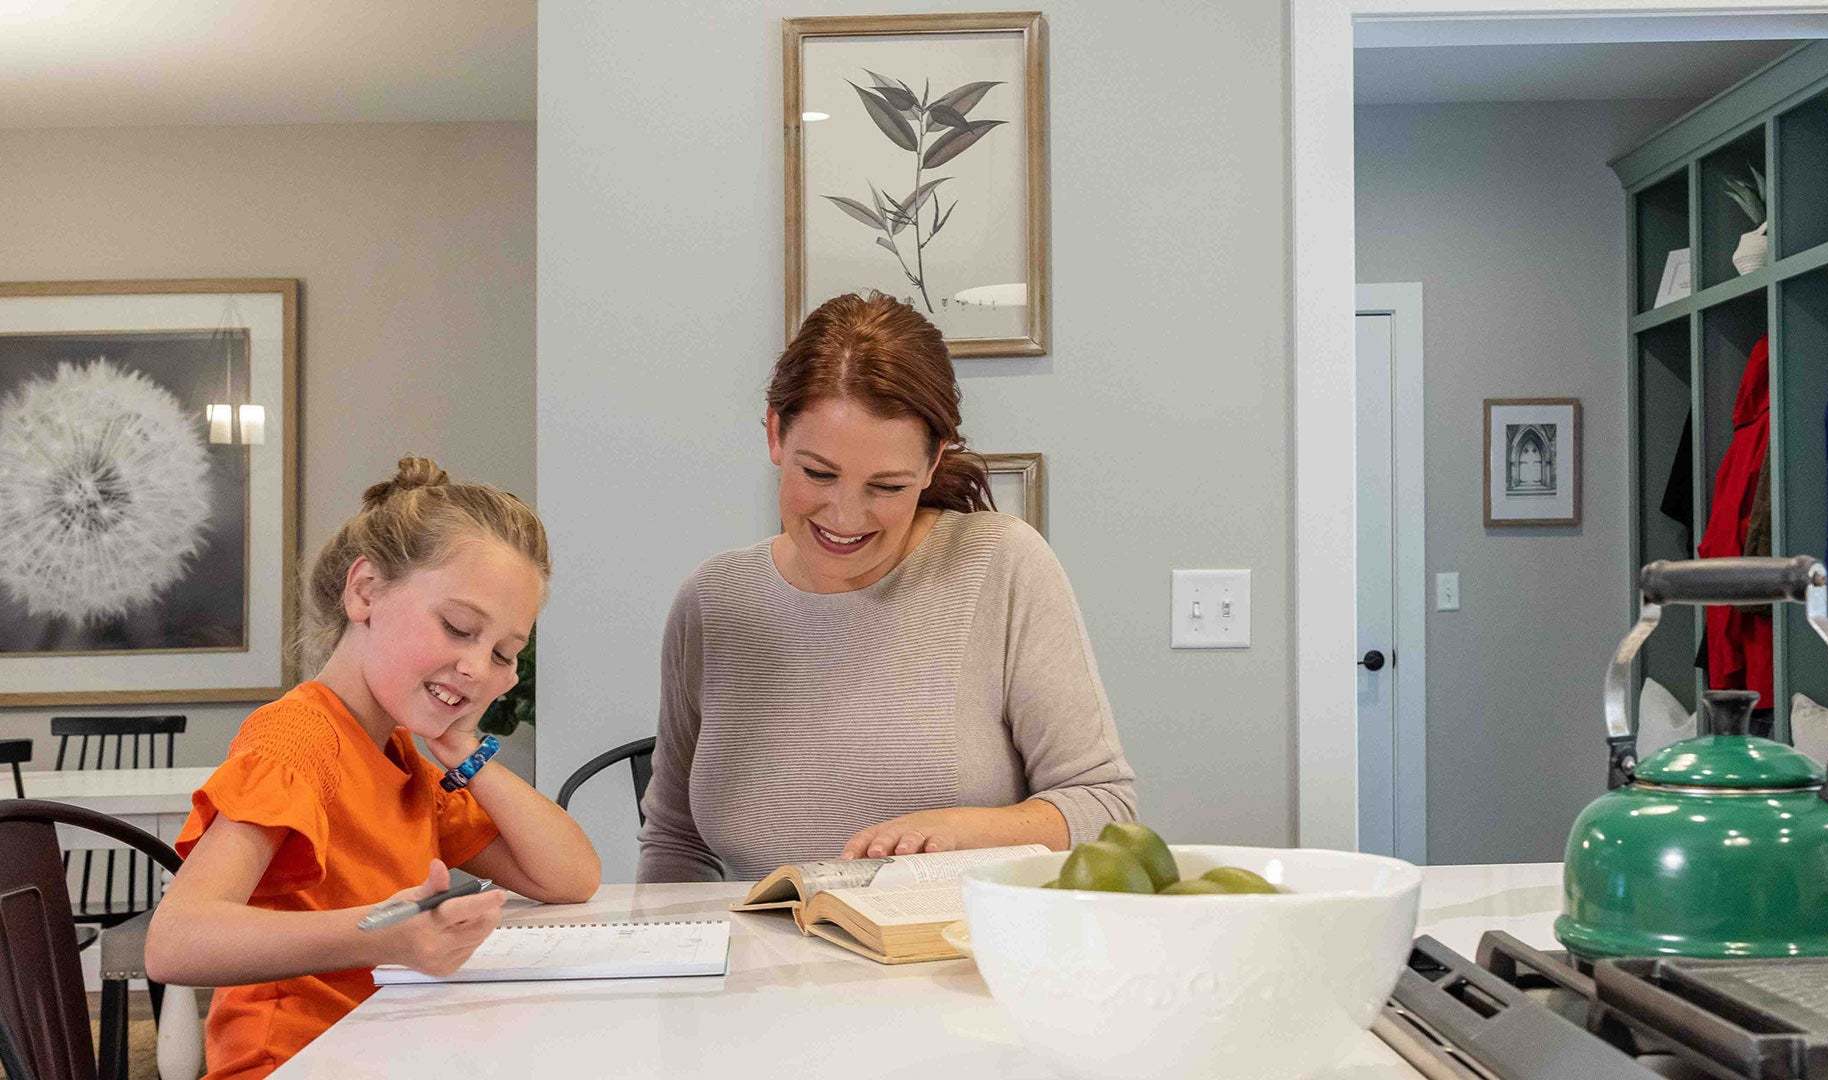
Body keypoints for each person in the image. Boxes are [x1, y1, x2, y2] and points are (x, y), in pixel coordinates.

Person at [639, 292, 1137, 882]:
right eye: (818, 473)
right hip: (757, 943)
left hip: (948, 939)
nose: (845, 516)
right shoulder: (712, 600)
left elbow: (1104, 808)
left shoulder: (1002, 565)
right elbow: (675, 840)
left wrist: (960, 832)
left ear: (932, 463)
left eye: (887, 486)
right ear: (774, 433)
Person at [145, 457, 600, 1080]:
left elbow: (570, 877)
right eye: (458, 627)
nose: (477, 667)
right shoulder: (299, 740)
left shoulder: (404, 760)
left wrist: (467, 751)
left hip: (381, 1048)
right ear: (364, 591)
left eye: (503, 653)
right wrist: (383, 935)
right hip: (291, 1061)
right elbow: (176, 942)